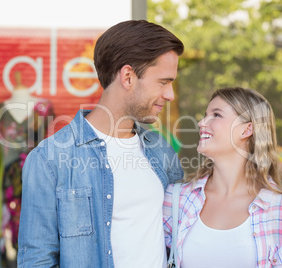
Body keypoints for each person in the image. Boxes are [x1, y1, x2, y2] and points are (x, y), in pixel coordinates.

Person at [17, 20, 185, 267]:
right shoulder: (49, 159)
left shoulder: (161, 149)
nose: (170, 94)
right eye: (163, 82)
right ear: (128, 76)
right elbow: (36, 260)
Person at [163, 87, 282, 267]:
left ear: (247, 130)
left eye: (216, 115)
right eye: (205, 115)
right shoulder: (176, 200)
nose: (201, 123)